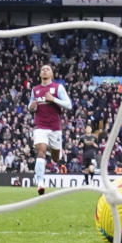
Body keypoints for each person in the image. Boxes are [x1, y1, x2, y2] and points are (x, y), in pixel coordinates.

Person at [29, 64, 72, 195]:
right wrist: (31, 107)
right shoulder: (35, 89)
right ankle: (40, 183)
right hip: (40, 126)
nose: (45, 71)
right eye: (42, 69)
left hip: (55, 128)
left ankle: (52, 153)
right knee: (40, 150)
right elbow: (30, 106)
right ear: (40, 74)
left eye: (47, 69)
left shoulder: (58, 88)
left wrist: (53, 99)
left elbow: (69, 105)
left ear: (52, 74)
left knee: (55, 158)